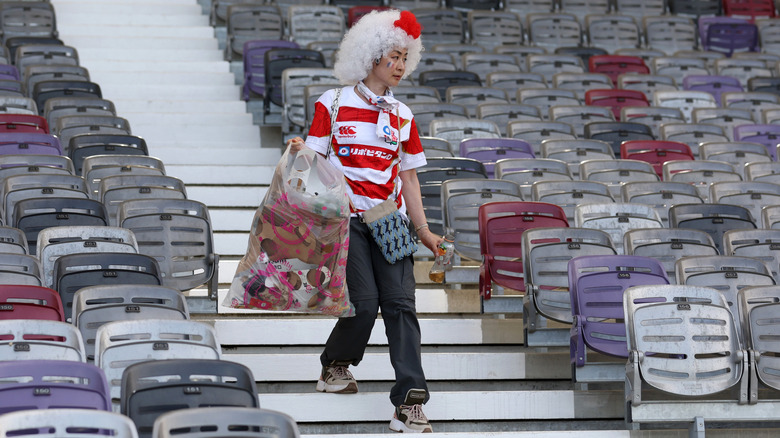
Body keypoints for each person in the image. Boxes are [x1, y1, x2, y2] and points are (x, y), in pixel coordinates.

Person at [286, 9, 439, 434]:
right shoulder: (332, 103)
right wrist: (300, 150)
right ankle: (334, 364)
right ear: (371, 56)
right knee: (365, 304)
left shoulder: (403, 115)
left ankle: (410, 399)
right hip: (345, 220)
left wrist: (424, 231)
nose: (400, 66)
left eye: (406, 58)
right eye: (394, 56)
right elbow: (312, 161)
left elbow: (409, 178)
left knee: (402, 305)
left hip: (390, 222)